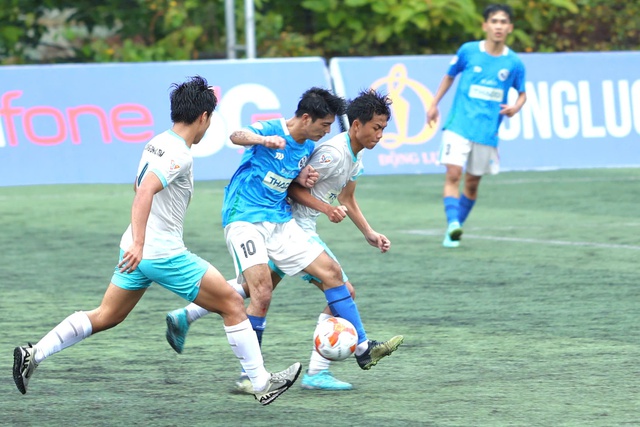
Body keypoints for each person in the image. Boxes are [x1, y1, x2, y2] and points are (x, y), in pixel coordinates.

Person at [12, 76, 301, 406]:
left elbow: (139, 188)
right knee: (232, 304)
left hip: (138, 251)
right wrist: (141, 242)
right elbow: (146, 189)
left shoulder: (157, 142)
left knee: (107, 315)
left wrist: (136, 243)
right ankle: (262, 383)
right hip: (161, 253)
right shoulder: (180, 154)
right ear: (204, 116)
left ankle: (33, 354)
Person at [165, 89, 399, 392]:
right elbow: (236, 135)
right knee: (261, 292)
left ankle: (362, 347)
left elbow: (292, 179)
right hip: (245, 217)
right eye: (324, 125)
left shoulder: (309, 146)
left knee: (329, 276)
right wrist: (263, 141)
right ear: (306, 117)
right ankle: (252, 376)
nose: (327, 132)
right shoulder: (274, 129)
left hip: (279, 221)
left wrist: (302, 177)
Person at [426, 4, 527, 248]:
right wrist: (434, 103)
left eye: (503, 22)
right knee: (453, 174)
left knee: (471, 184)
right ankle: (452, 224)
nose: (499, 26)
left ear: (510, 28)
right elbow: (450, 75)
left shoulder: (514, 63)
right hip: (459, 125)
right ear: (485, 25)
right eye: (494, 21)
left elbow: (522, 93)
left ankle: (455, 227)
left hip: (487, 132)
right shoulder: (468, 51)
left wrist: (515, 107)